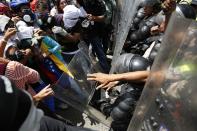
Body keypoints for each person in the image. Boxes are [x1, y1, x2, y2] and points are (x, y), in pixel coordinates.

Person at [0, 75, 93, 131]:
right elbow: (35, 75)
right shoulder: (14, 66)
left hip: (39, 118)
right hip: (35, 122)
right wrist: (37, 98)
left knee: (62, 123)